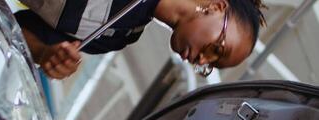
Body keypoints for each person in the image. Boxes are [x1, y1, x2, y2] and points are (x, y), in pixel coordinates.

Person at [15, 0, 267, 79]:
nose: (201, 59)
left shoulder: (122, 34)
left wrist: (46, 53)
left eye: (210, 64)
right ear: (217, 6)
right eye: (217, 48)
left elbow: (16, 28)